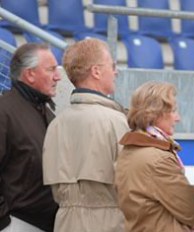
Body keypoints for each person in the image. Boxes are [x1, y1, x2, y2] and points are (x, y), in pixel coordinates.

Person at [42, 38, 129, 232]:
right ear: (96, 71)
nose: (116, 72)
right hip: (109, 224)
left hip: (64, 223)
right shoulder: (116, 121)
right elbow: (132, 184)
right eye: (112, 65)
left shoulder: (56, 124)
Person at [115, 81, 194, 232]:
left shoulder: (130, 150)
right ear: (156, 113)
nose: (178, 118)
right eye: (173, 111)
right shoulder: (158, 158)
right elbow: (192, 211)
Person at [0, 43, 61, 232]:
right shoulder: (4, 112)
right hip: (17, 223)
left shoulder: (46, 110)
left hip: (47, 222)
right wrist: (4, 222)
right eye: (51, 69)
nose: (58, 76)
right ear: (30, 74)